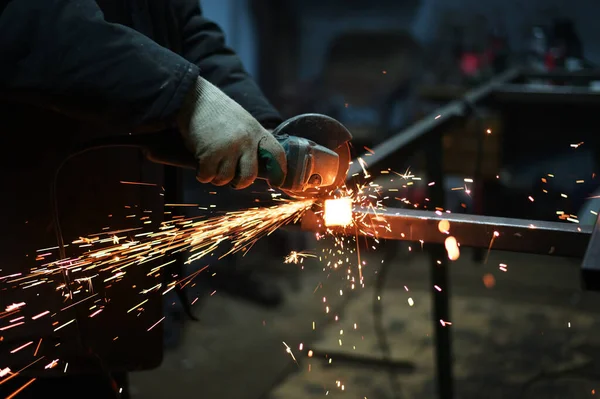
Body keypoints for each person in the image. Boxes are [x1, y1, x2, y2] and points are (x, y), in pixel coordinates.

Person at [0, 0, 286, 397]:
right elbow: (29, 21)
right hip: (20, 262)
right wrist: (186, 97)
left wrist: (262, 129)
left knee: (94, 370)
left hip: (101, 255)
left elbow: (182, 24)